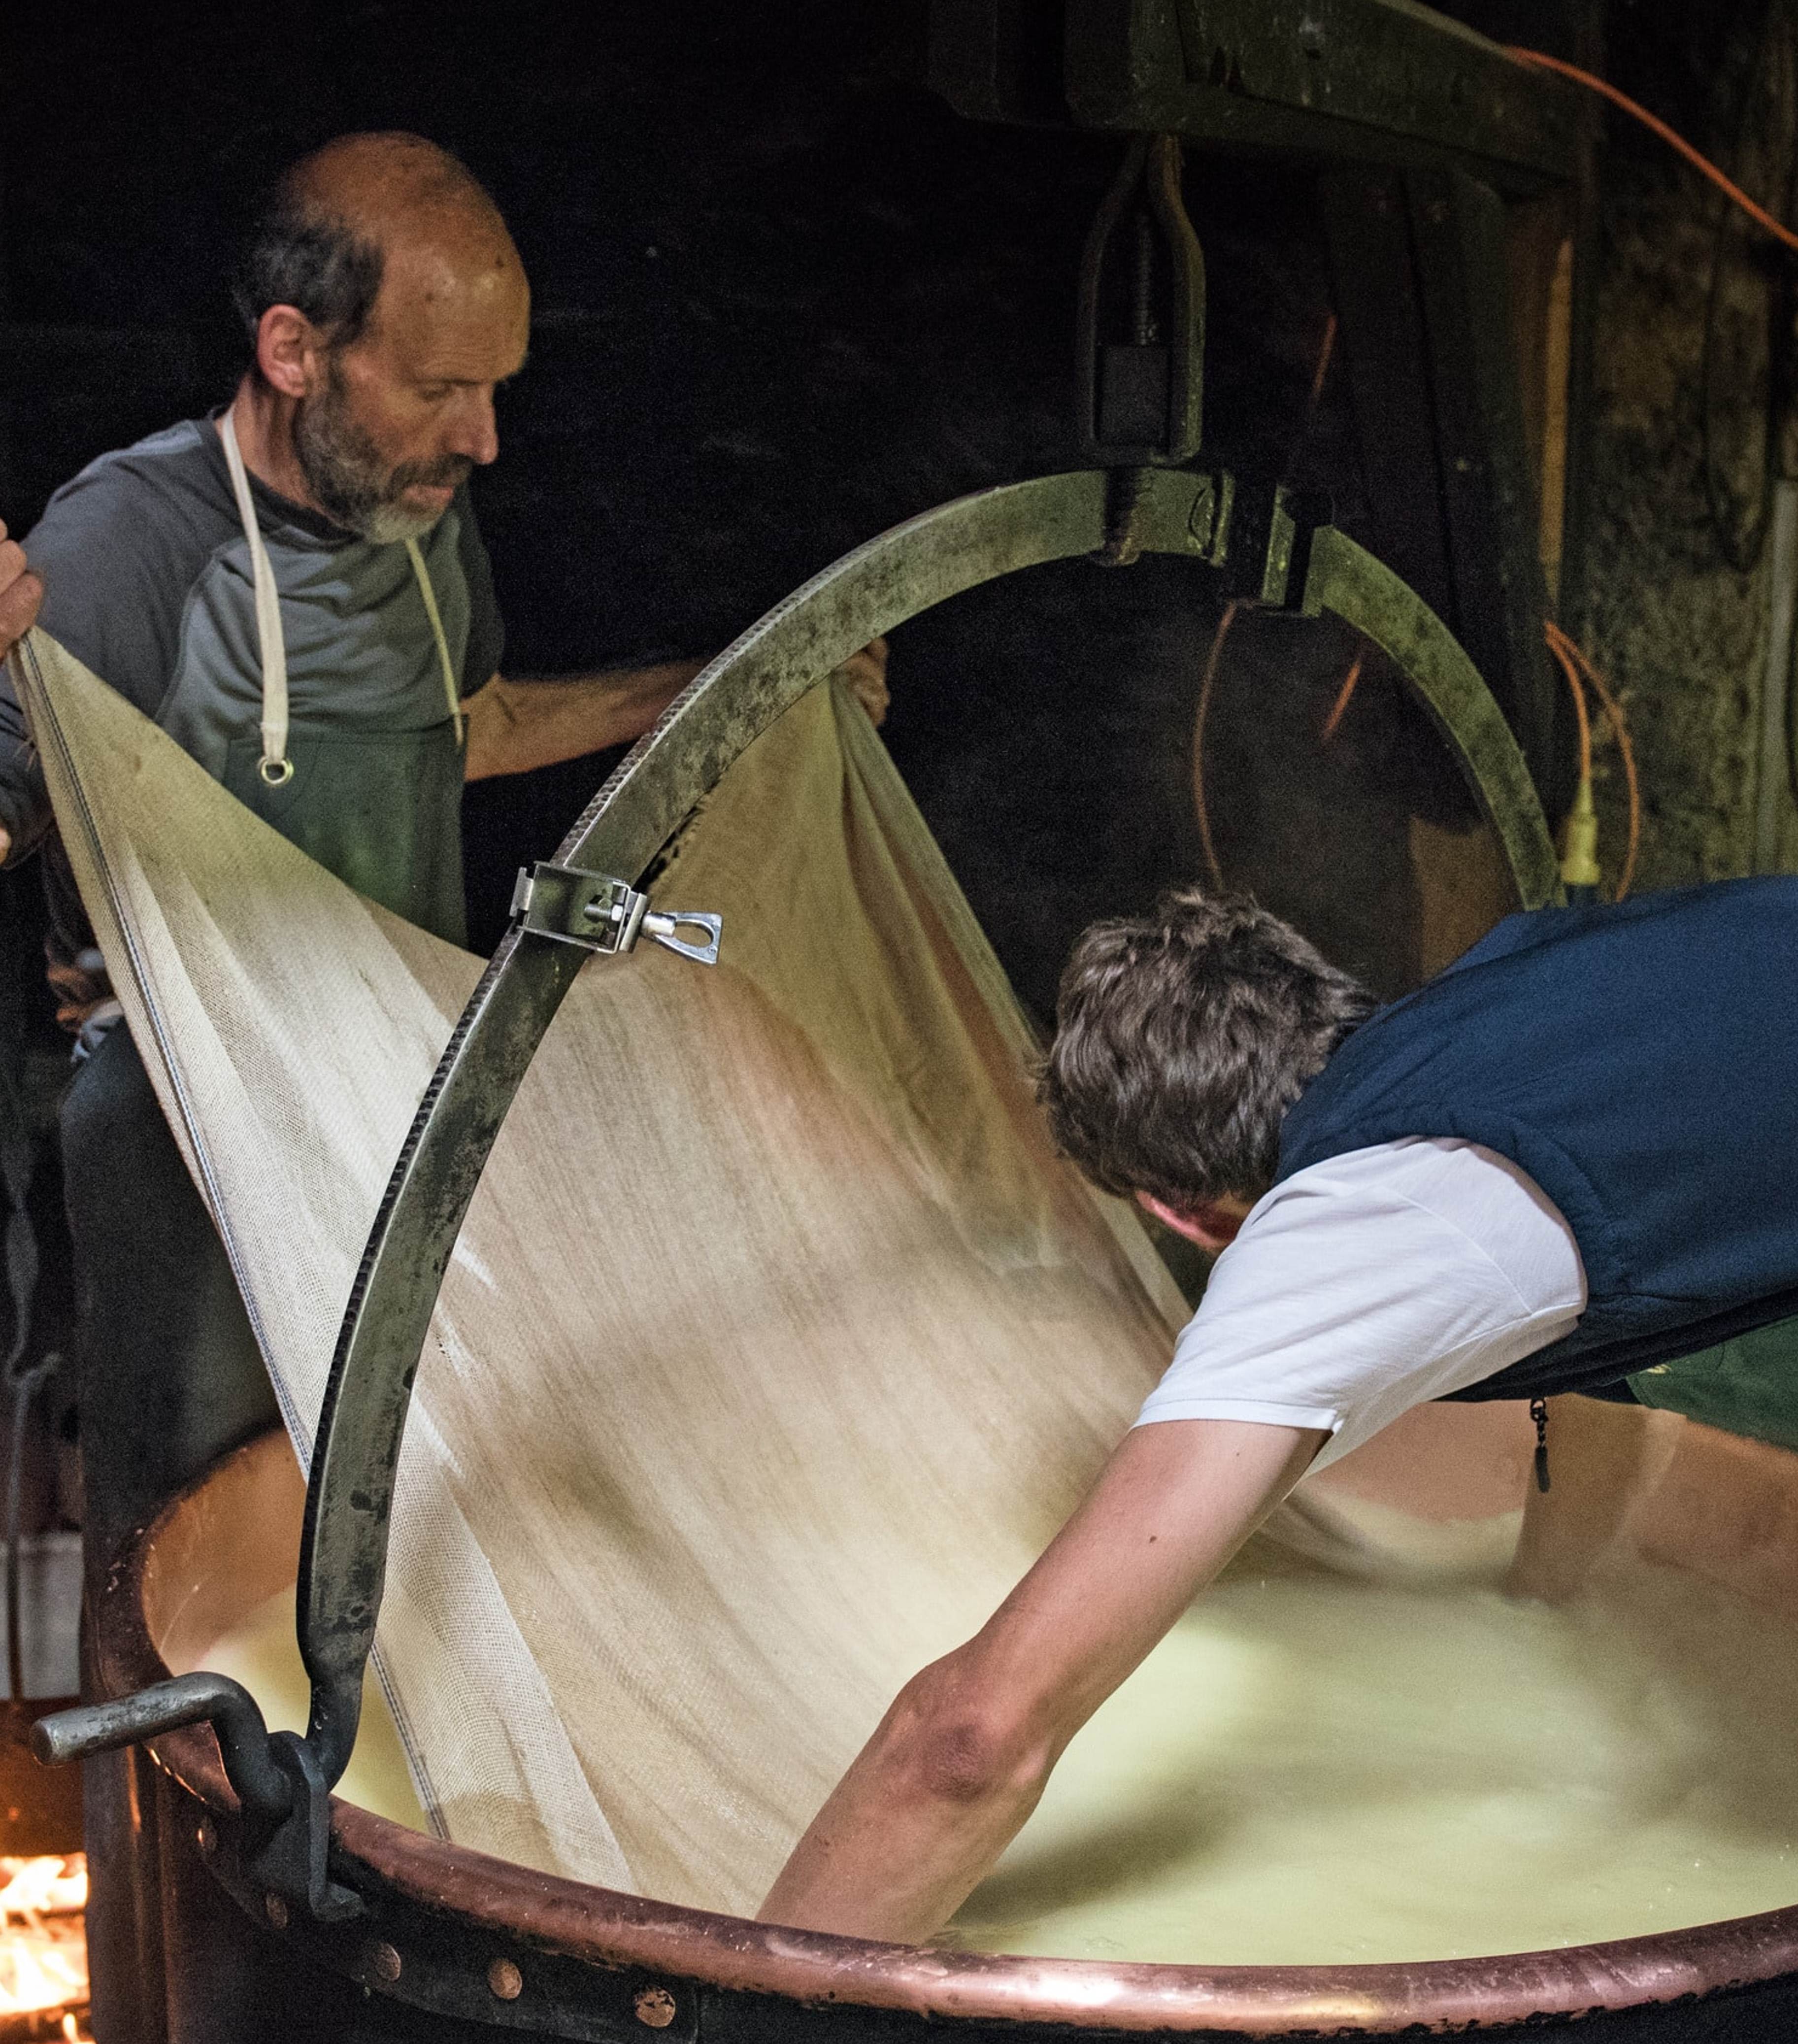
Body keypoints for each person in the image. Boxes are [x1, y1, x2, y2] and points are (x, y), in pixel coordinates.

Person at [0, 130, 886, 1547]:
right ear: (294, 350)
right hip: (190, 1138)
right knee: (187, 1551)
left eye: (493, 388)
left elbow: (463, 727)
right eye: (437, 390)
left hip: (398, 1100)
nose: (481, 439)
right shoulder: (130, 543)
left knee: (391, 1524)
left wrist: (724, 686)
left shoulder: (417, 514)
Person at [758, 877, 1798, 1943]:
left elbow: (969, 1743)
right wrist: (1541, 1602)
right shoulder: (1515, 993)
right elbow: (1602, 1349)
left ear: (1183, 1214)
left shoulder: (1360, 1216)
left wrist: (758, 2013)